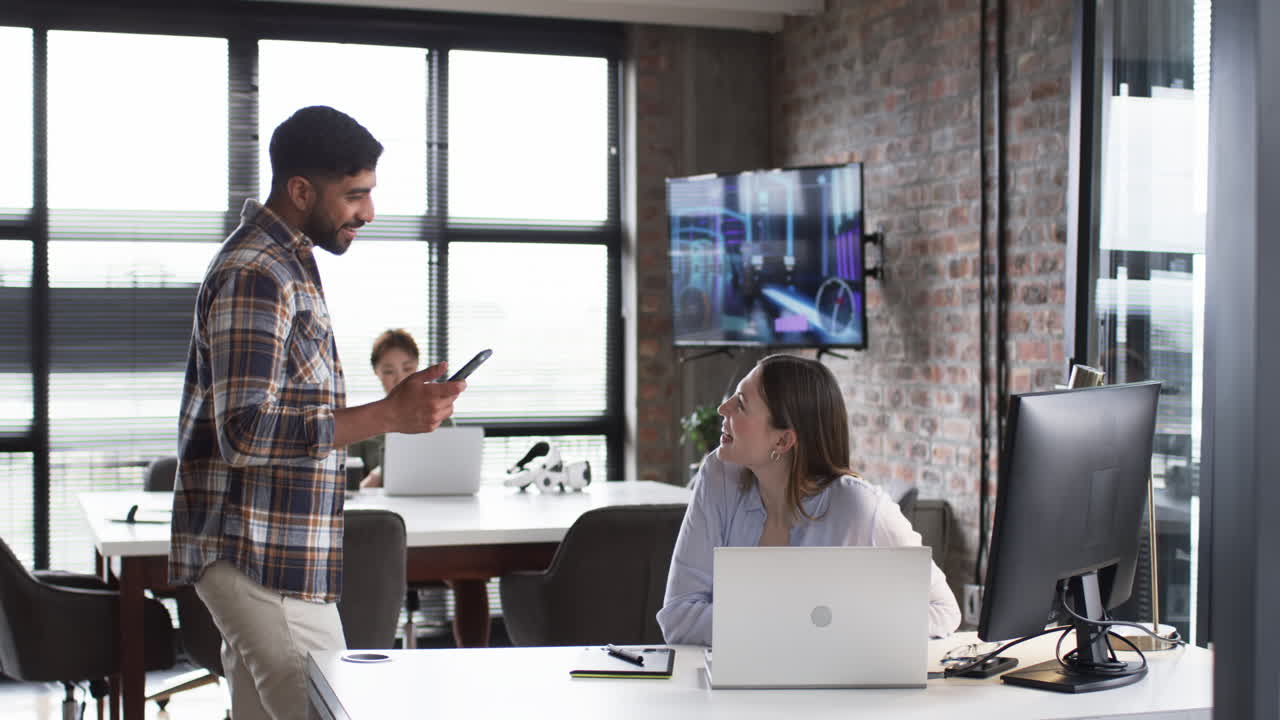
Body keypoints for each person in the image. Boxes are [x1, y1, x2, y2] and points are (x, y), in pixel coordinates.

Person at [169, 106, 465, 720]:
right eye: (354, 195)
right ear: (301, 190)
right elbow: (244, 432)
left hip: (275, 551)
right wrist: (389, 414)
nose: (368, 213)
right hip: (256, 553)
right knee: (326, 711)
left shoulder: (289, 261)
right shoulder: (258, 272)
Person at [657, 354, 961, 646]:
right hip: (731, 690)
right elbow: (678, 616)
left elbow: (943, 610)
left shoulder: (860, 506)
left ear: (783, 440)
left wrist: (846, 627)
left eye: (742, 404)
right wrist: (798, 624)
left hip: (833, 691)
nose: (724, 409)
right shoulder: (719, 476)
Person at [347, 328, 422, 489]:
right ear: (377, 372)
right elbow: (353, 490)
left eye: (407, 369)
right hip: (379, 510)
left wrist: (385, 472)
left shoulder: (441, 420)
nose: (400, 379)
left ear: (417, 366)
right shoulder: (361, 424)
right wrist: (375, 477)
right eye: (389, 371)